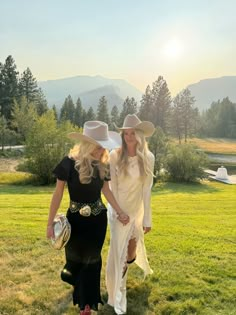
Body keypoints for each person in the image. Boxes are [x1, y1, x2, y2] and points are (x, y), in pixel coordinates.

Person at [46, 121, 129, 315]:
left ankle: (87, 305)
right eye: (98, 147)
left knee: (92, 261)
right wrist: (50, 223)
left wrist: (119, 211)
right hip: (74, 221)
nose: (101, 151)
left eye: (103, 147)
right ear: (87, 145)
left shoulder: (104, 164)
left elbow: (106, 191)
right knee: (75, 260)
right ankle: (80, 292)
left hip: (97, 221)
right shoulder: (68, 163)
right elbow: (57, 194)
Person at [106, 114, 155, 315]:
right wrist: (119, 213)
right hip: (118, 210)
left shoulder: (149, 158)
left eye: (132, 133)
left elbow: (147, 190)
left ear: (140, 135)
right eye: (125, 133)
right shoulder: (115, 155)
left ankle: (125, 269)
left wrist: (147, 218)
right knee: (117, 250)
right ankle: (114, 291)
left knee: (131, 249)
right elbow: (112, 187)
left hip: (136, 210)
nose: (128, 137)